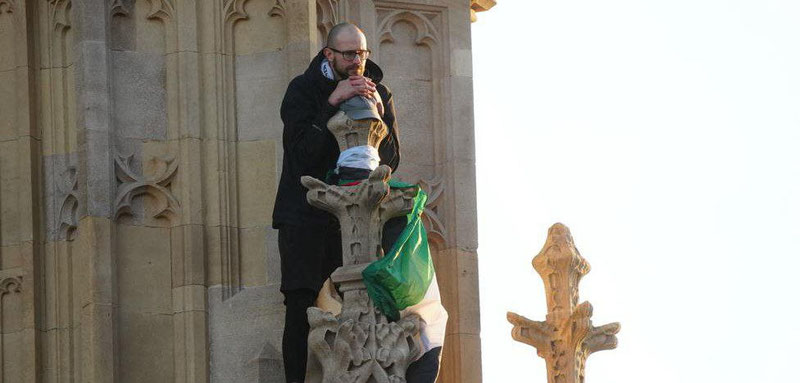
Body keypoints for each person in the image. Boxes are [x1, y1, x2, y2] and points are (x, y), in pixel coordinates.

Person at [272, 22, 400, 383]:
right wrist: (332, 102)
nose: (357, 62)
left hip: (358, 216)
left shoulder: (380, 91)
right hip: (304, 216)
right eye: (348, 54)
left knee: (364, 301)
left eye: (362, 53)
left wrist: (380, 119)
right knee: (300, 305)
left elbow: (391, 159)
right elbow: (301, 155)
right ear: (329, 54)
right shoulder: (303, 89)